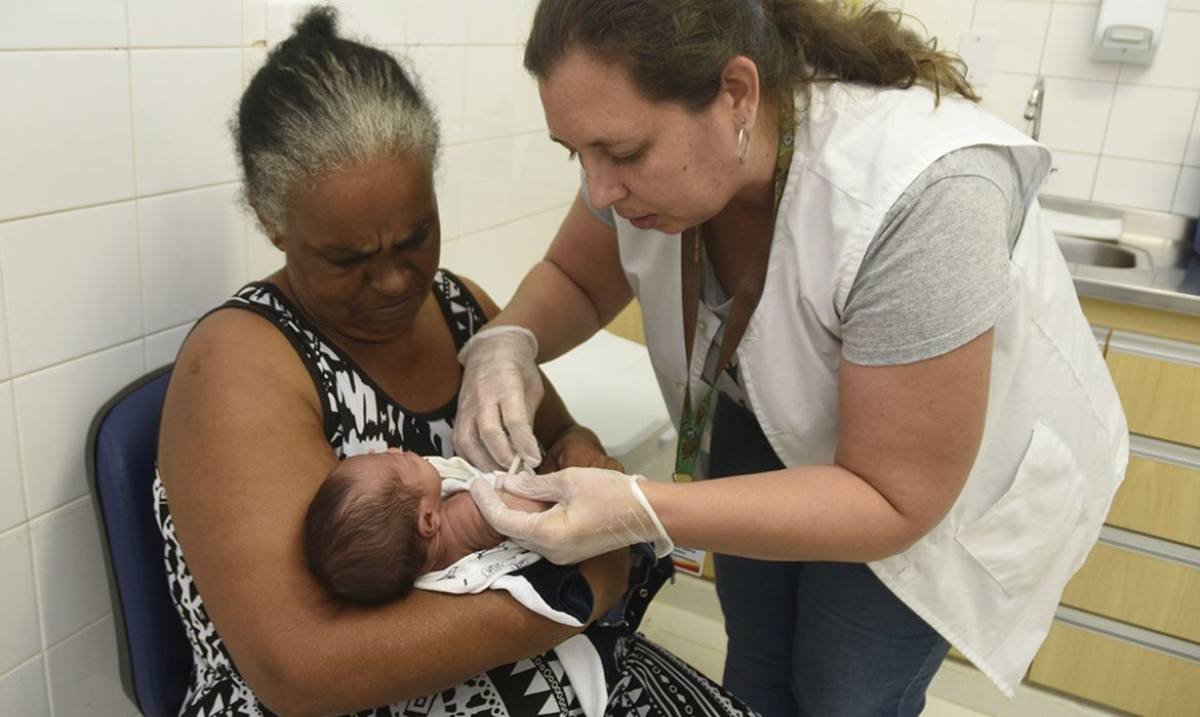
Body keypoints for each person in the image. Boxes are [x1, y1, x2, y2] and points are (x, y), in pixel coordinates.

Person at [456, 2, 1130, 716]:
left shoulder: (925, 193)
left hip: (921, 471)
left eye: (622, 154)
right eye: (577, 153)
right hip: (772, 410)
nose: (599, 191)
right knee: (758, 660)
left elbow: (893, 496)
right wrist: (509, 340)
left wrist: (641, 509)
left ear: (736, 94)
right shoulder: (653, 150)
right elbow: (576, 277)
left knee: (845, 690)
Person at [154, 7, 759, 717]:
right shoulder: (241, 360)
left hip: (554, 662)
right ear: (271, 220)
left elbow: (563, 434)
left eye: (416, 236)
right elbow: (303, 672)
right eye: (347, 258)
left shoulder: (459, 306)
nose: (393, 281)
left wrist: (583, 460)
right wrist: (585, 583)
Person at [304, 450, 551, 605]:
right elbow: (539, 510)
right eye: (398, 460)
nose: (393, 449)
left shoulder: (422, 569)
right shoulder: (468, 515)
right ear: (429, 521)